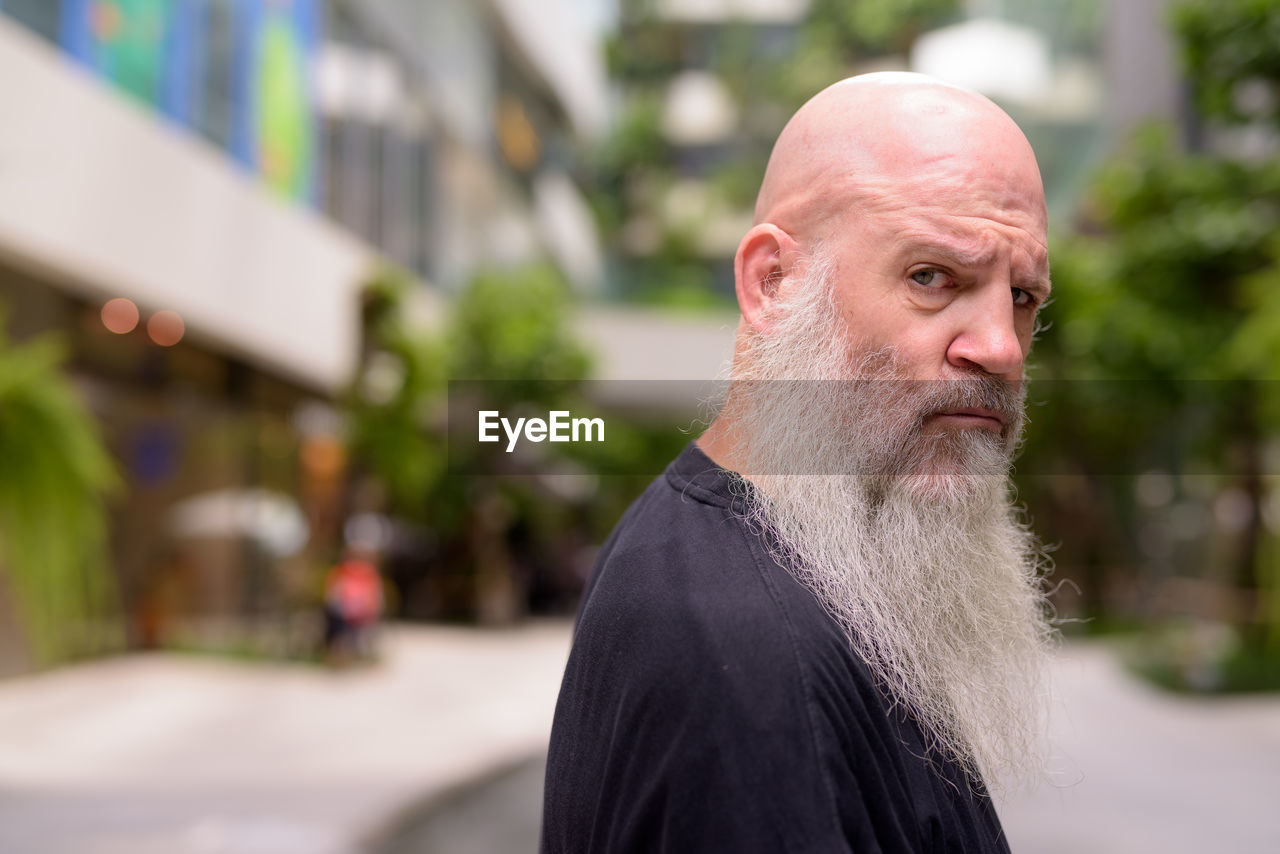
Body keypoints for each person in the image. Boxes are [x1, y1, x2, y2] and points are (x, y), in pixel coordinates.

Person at [542, 72, 1057, 853]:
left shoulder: (773, 570)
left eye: (1021, 295)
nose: (998, 348)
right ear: (772, 284)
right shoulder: (746, 654)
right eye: (932, 277)